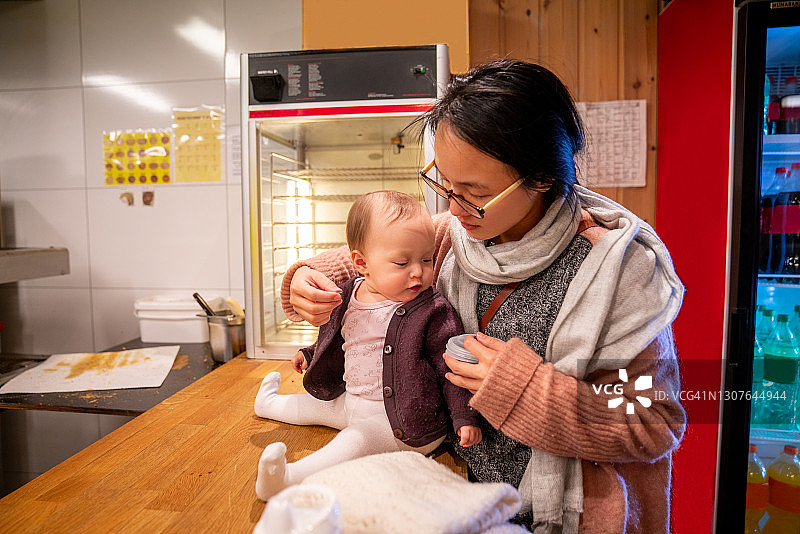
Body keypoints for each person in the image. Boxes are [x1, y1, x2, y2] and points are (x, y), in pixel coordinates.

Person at [280, 60, 687, 533]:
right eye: (445, 182)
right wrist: (309, 276)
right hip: (459, 492)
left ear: (541, 177)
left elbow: (653, 423)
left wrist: (524, 391)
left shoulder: (616, 271)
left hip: (571, 515)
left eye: (473, 191)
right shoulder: (456, 236)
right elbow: (376, 254)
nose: (453, 207)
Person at [253, 190, 482, 501]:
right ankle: (268, 405)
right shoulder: (349, 293)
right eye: (402, 262)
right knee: (315, 404)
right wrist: (310, 352)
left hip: (404, 424)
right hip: (353, 401)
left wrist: (464, 416)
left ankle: (286, 479)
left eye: (427, 259)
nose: (418, 271)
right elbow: (340, 336)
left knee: (353, 442)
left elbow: (449, 368)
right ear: (362, 263)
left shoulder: (433, 310)